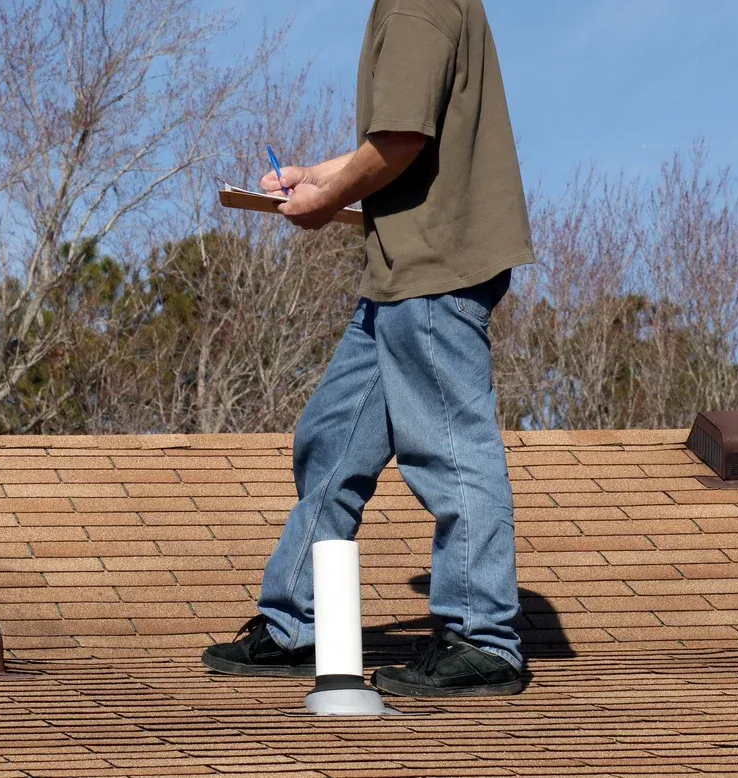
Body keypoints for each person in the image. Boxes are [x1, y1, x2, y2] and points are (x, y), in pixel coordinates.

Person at [201, 0, 536, 697]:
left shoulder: (414, 5)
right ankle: (299, 621)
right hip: (402, 271)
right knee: (333, 437)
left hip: (433, 267)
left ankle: (483, 639)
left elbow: (401, 142)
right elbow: (394, 142)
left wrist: (323, 205)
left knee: (451, 448)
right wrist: (319, 177)